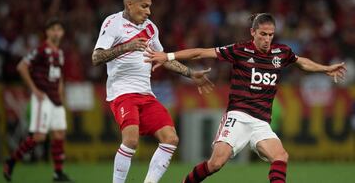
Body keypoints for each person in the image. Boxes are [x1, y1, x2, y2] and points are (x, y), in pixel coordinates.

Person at [144, 13, 347, 183]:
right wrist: (168, 56)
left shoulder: (281, 52)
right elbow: (201, 53)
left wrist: (325, 68)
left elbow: (301, 62)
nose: (267, 39)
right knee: (215, 163)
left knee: (281, 156)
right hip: (238, 116)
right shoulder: (240, 50)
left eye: (271, 35)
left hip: (261, 122)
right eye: (263, 34)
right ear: (253, 32)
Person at [91, 0, 213, 183]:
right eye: (144, 6)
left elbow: (163, 58)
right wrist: (127, 46)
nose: (148, 12)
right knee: (130, 140)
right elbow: (96, 57)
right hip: (122, 93)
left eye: (149, 7)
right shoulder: (113, 23)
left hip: (146, 95)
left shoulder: (150, 28)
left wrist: (191, 74)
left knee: (171, 138)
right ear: (129, 4)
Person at [3, 18, 73, 182]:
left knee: (59, 134)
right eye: (53, 29)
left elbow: (60, 76)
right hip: (43, 97)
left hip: (56, 99)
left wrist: (61, 95)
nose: (57, 32)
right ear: (47, 32)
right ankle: (11, 160)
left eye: (59, 30)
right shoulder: (42, 49)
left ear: (62, 33)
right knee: (39, 137)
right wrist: (34, 89)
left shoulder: (60, 52)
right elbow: (22, 66)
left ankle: (58, 173)